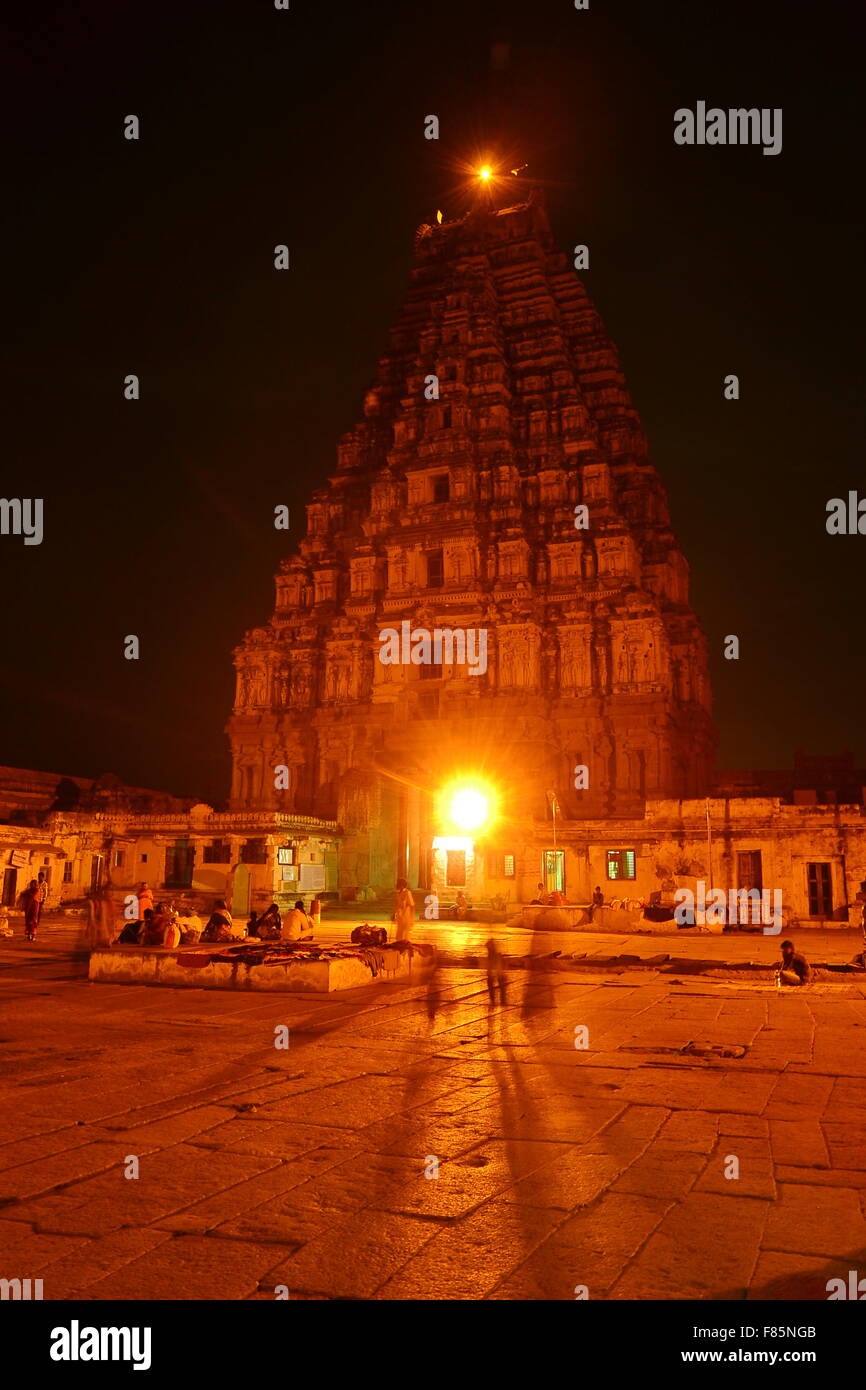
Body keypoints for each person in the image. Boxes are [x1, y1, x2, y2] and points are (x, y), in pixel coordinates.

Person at [485, 937, 508, 1007]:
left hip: (496, 972)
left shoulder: (493, 954)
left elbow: (493, 963)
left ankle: (495, 1000)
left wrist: (490, 971)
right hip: (497, 972)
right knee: (499, 986)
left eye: (488, 947)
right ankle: (499, 1000)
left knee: (495, 985)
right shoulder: (494, 953)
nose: (487, 949)